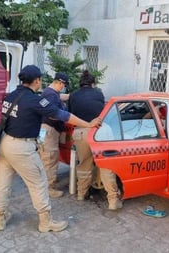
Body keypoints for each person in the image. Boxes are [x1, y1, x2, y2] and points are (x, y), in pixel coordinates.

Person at [0, 65, 102, 232]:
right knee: (39, 182)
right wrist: (88, 124)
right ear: (37, 81)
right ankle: (45, 221)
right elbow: (62, 115)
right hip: (22, 147)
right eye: (40, 80)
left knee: (2, 182)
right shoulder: (35, 100)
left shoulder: (11, 96)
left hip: (5, 143)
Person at [68, 70, 123, 210]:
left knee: (84, 164)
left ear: (80, 84)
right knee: (105, 166)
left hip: (80, 131)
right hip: (98, 132)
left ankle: (81, 194)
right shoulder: (98, 93)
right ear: (93, 84)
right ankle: (112, 200)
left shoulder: (73, 95)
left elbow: (70, 113)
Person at [39, 72, 70, 198]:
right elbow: (52, 114)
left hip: (44, 130)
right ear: (59, 82)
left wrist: (71, 96)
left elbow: (60, 97)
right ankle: (48, 189)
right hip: (50, 131)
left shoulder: (49, 92)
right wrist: (66, 117)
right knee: (50, 159)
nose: (63, 88)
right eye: (63, 85)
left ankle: (46, 182)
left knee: (44, 158)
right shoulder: (51, 95)